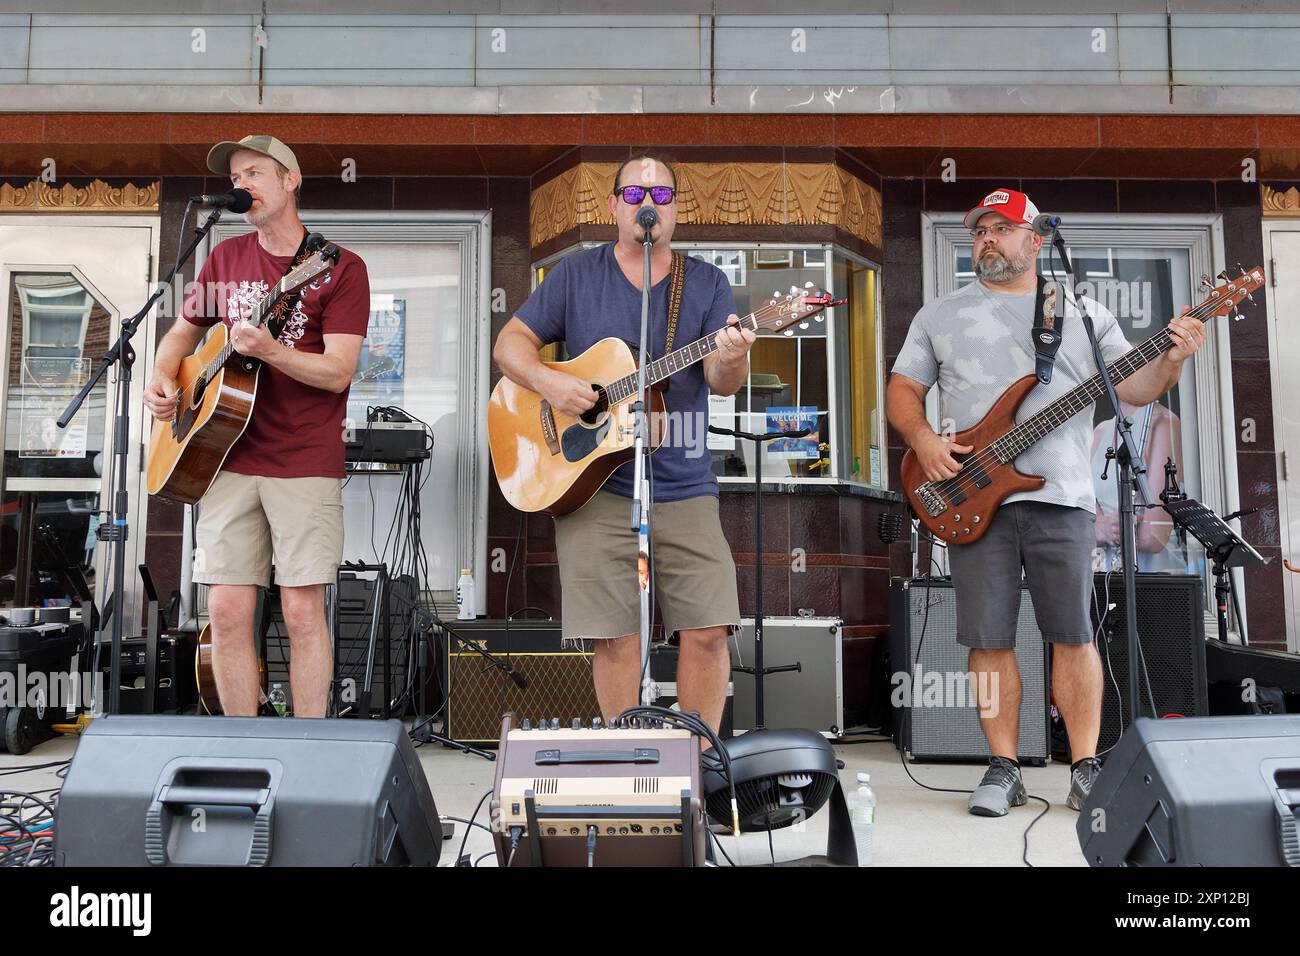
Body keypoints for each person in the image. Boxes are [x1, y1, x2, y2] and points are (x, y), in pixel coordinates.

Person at [886, 187, 1207, 815]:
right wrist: (923, 441)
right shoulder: (939, 315)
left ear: (1036, 240)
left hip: (1062, 494)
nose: (986, 239)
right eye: (979, 230)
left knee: (1073, 632)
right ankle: (1002, 766)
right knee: (987, 638)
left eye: (1001, 229)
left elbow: (1135, 387)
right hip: (972, 496)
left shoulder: (1083, 313)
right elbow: (903, 388)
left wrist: (1170, 361)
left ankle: (1084, 766)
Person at [493, 155, 753, 733]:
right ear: (613, 206)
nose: (648, 204)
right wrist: (551, 383)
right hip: (594, 485)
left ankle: (700, 760)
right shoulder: (574, 275)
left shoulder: (705, 282)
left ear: (676, 210)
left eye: (661, 195)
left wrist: (733, 355)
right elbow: (509, 345)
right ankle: (627, 751)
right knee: (614, 633)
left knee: (709, 627)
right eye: (635, 193)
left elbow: (720, 379)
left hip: (684, 483)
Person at [143, 135, 371, 718]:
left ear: (290, 181)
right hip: (223, 459)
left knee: (300, 610)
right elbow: (180, 336)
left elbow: (338, 372)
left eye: (254, 172)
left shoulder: (339, 268)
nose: (241, 183)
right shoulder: (223, 258)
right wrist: (166, 377)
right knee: (225, 611)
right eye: (236, 176)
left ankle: (309, 744)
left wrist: (271, 351)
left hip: (303, 459)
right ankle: (243, 744)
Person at [1091, 400, 1185, 572]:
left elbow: (1153, 537)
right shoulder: (1101, 431)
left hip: (1152, 571)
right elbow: (1086, 506)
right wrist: (1101, 529)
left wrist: (1111, 530)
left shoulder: (1162, 422)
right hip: (1109, 569)